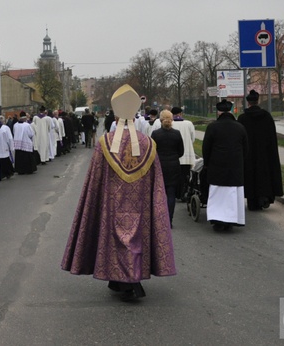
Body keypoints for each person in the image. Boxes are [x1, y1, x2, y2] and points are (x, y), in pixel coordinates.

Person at [61, 84, 176, 302]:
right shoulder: (148, 144)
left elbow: (94, 180)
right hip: (140, 204)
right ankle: (129, 278)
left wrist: (95, 201)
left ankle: (121, 278)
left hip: (111, 204)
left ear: (116, 112)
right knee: (137, 237)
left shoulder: (104, 143)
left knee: (114, 238)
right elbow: (156, 183)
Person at [202, 99, 249, 232]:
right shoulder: (240, 127)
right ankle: (231, 219)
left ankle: (218, 220)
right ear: (230, 111)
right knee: (232, 195)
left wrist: (207, 164)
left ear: (218, 112)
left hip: (217, 167)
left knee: (217, 195)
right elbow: (246, 149)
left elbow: (206, 148)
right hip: (235, 168)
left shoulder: (213, 127)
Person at [237, 89, 284, 211]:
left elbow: (240, 137)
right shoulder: (267, 116)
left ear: (248, 103)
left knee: (250, 176)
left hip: (248, 154)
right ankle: (264, 197)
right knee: (264, 174)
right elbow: (272, 136)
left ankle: (252, 201)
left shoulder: (242, 118)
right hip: (265, 152)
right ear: (258, 101)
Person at [150, 110, 184, 225]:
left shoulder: (155, 134)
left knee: (159, 193)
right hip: (173, 165)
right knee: (171, 194)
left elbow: (152, 152)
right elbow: (181, 152)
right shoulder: (177, 134)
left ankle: (159, 219)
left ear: (160, 119)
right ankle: (169, 219)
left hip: (160, 165)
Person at [170, 106, 196, 200]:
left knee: (174, 176)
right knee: (185, 175)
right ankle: (183, 192)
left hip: (174, 155)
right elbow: (193, 137)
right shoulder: (188, 123)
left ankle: (176, 192)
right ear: (181, 114)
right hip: (187, 154)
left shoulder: (170, 123)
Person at [0, 115, 15, 180]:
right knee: (6, 162)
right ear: (3, 121)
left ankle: (0, 175)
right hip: (4, 147)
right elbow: (9, 138)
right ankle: (8, 173)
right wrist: (11, 147)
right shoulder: (6, 128)